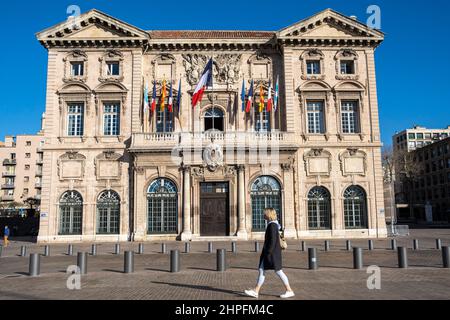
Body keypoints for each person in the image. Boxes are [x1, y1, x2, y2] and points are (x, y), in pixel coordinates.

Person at [244, 208, 295, 299]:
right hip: (272, 252)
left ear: (268, 214)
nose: (263, 215)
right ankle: (256, 291)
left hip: (271, 253)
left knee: (278, 271)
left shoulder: (272, 226)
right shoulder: (274, 225)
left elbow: (272, 241)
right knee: (262, 270)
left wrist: (268, 252)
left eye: (265, 213)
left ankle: (289, 290)